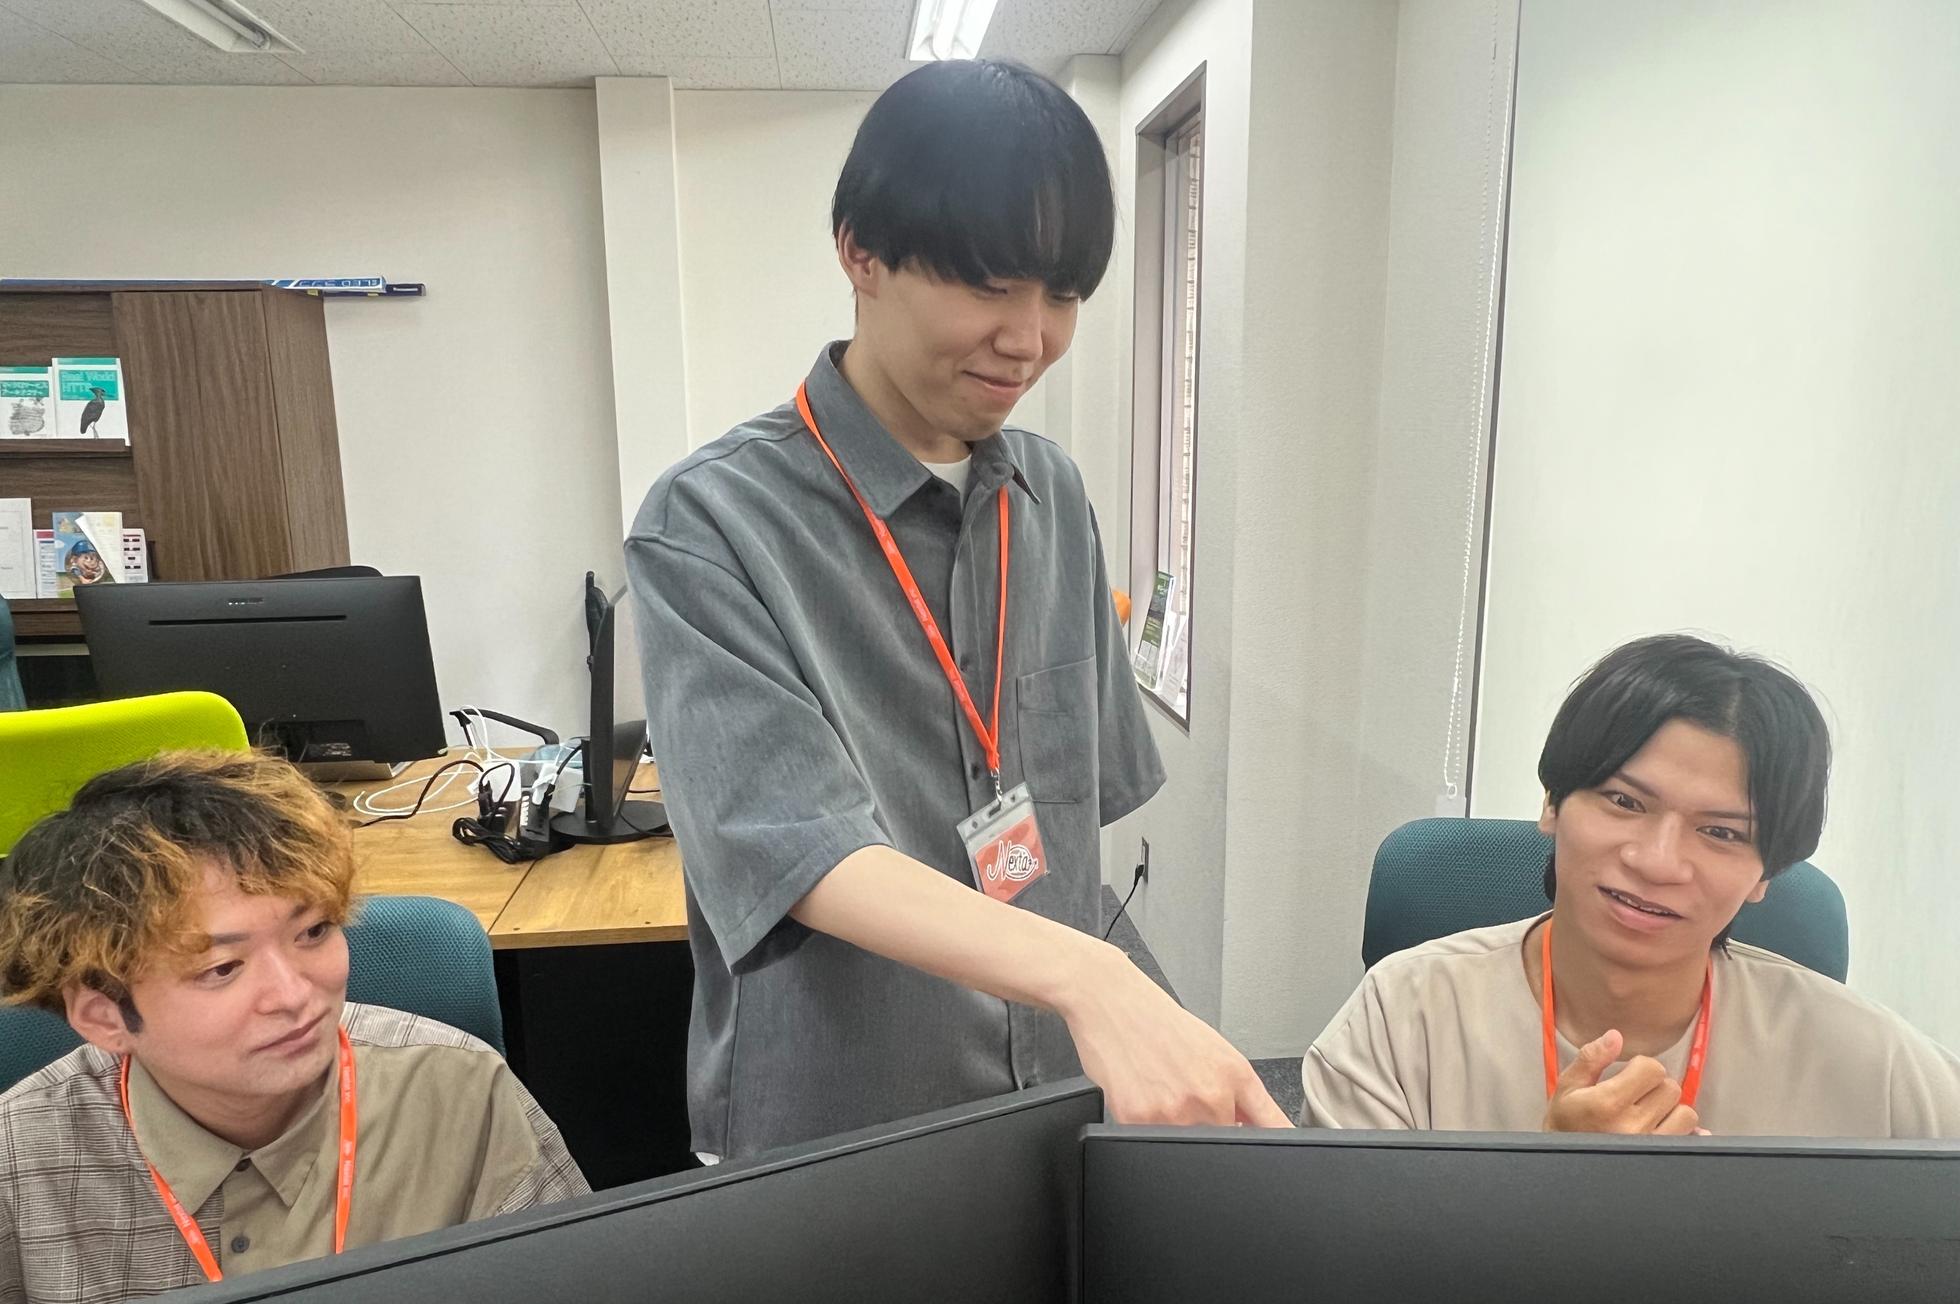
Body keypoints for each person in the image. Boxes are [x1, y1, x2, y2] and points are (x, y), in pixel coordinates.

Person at [628, 59, 1285, 1161]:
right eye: (988, 285)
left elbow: (1068, 837)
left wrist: (1129, 1010)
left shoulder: (1051, 496)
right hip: (844, 1134)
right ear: (860, 253)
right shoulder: (709, 521)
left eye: (1062, 295)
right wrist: (1092, 976)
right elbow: (803, 854)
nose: (1029, 338)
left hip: (1057, 1102)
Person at [1301, 634, 1960, 1137]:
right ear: (1553, 802)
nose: (1657, 862)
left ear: (1766, 873)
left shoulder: (1868, 1061)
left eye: (1722, 832)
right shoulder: (1403, 1018)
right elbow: (1342, 1257)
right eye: (1624, 801)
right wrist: (1550, 1188)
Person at [0, 751, 589, 1303]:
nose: (293, 995)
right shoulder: (19, 1156)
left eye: (314, 932)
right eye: (222, 968)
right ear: (103, 1016)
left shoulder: (459, 1092)